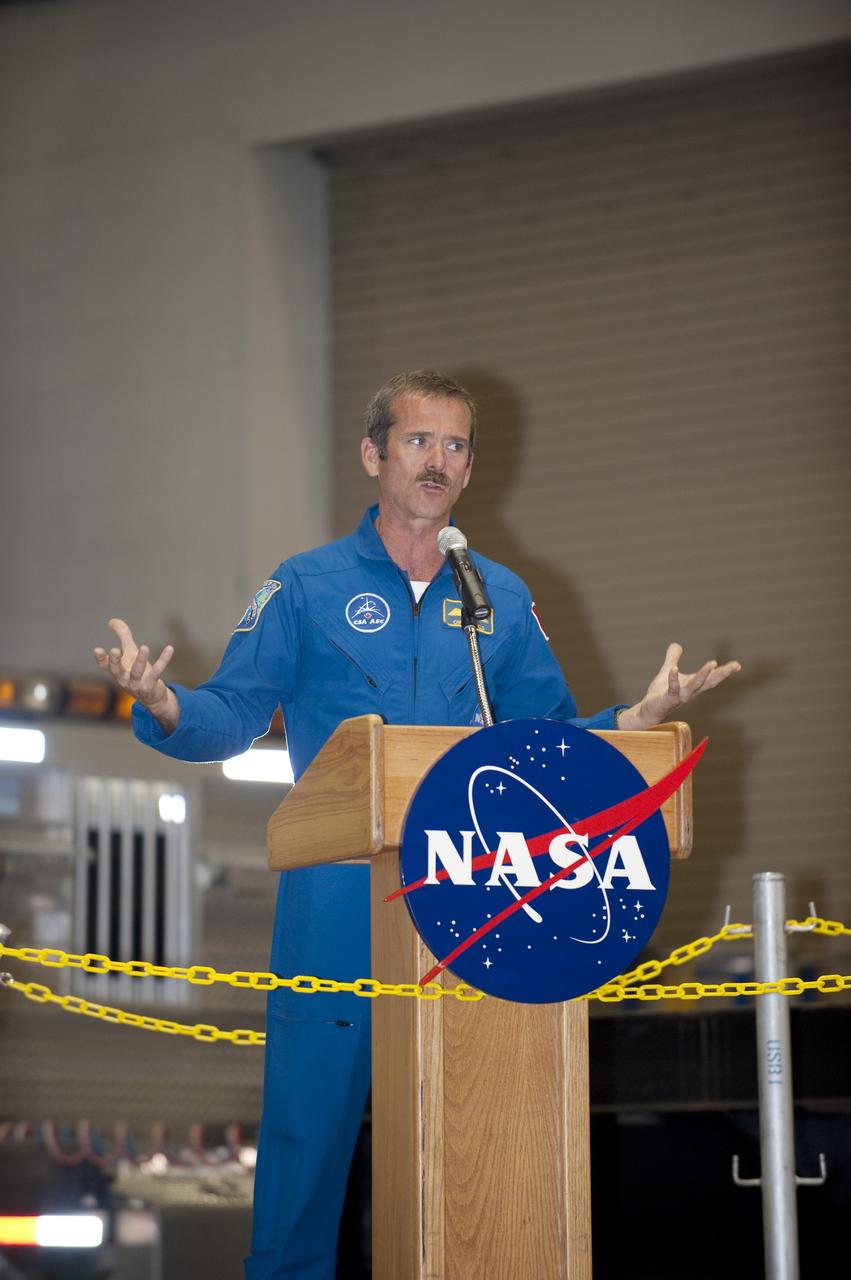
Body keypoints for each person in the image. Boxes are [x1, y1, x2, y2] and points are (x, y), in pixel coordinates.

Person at [94, 370, 740, 1279]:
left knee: (477, 1133)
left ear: (471, 468)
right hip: (336, 900)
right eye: (417, 441)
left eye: (456, 445)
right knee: (307, 1138)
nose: (437, 461)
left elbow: (543, 746)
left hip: (471, 896)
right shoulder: (307, 586)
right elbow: (233, 714)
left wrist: (632, 723)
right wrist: (163, 701)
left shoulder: (498, 598)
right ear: (374, 455)